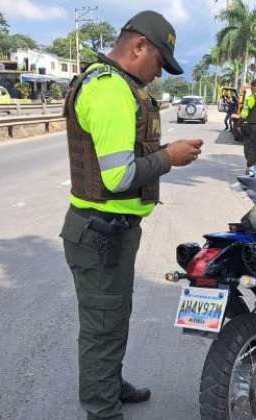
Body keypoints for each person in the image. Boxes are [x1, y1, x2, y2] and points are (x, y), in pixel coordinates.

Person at [60, 10, 204, 420]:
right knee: (102, 325)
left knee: (114, 315)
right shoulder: (109, 90)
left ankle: (110, 384)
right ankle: (102, 410)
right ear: (139, 46)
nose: (158, 75)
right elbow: (119, 176)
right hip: (100, 233)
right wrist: (169, 158)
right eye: (159, 63)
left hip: (113, 232)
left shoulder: (121, 88)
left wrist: (162, 154)